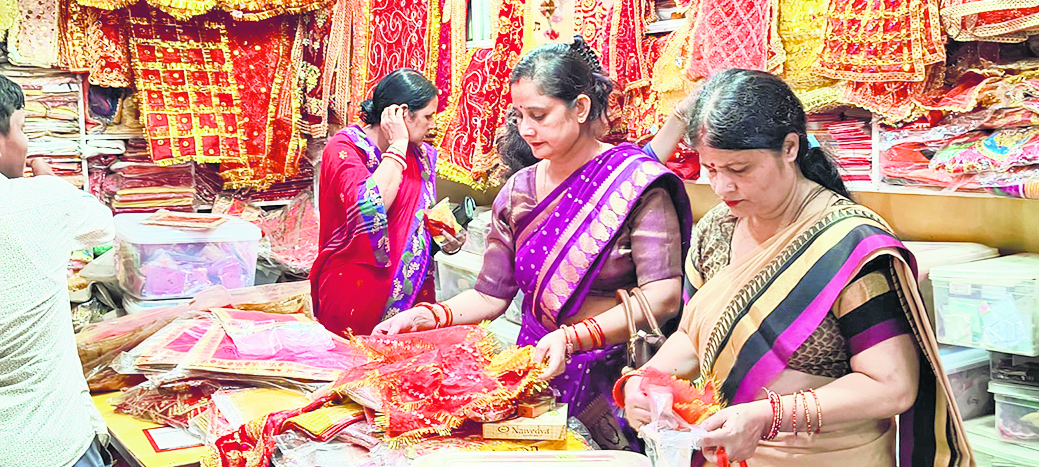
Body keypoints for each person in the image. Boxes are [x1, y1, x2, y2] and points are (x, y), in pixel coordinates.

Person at [616, 69, 973, 466]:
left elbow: (892, 386)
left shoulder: (847, 243)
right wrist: (646, 379)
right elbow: (695, 335)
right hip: (731, 449)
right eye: (711, 169)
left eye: (739, 169)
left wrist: (766, 416)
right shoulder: (716, 229)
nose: (722, 187)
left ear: (789, 147)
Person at [375, 42, 695, 450]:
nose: (525, 130)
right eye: (519, 116)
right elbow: (490, 295)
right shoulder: (518, 190)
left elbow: (663, 296)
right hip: (535, 376)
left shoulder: (635, 185)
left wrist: (573, 339)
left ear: (580, 108)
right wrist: (428, 316)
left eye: (539, 116)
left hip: (614, 384)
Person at [0, 75, 116, 467]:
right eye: (22, 128)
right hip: (49, 444)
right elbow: (102, 227)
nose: (25, 142)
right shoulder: (40, 201)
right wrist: (49, 184)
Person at [311, 68, 463, 336]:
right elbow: (370, 208)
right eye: (428, 116)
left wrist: (447, 237)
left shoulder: (422, 155)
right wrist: (398, 144)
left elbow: (418, 217)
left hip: (410, 295)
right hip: (356, 291)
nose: (433, 125)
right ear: (402, 114)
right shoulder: (345, 149)